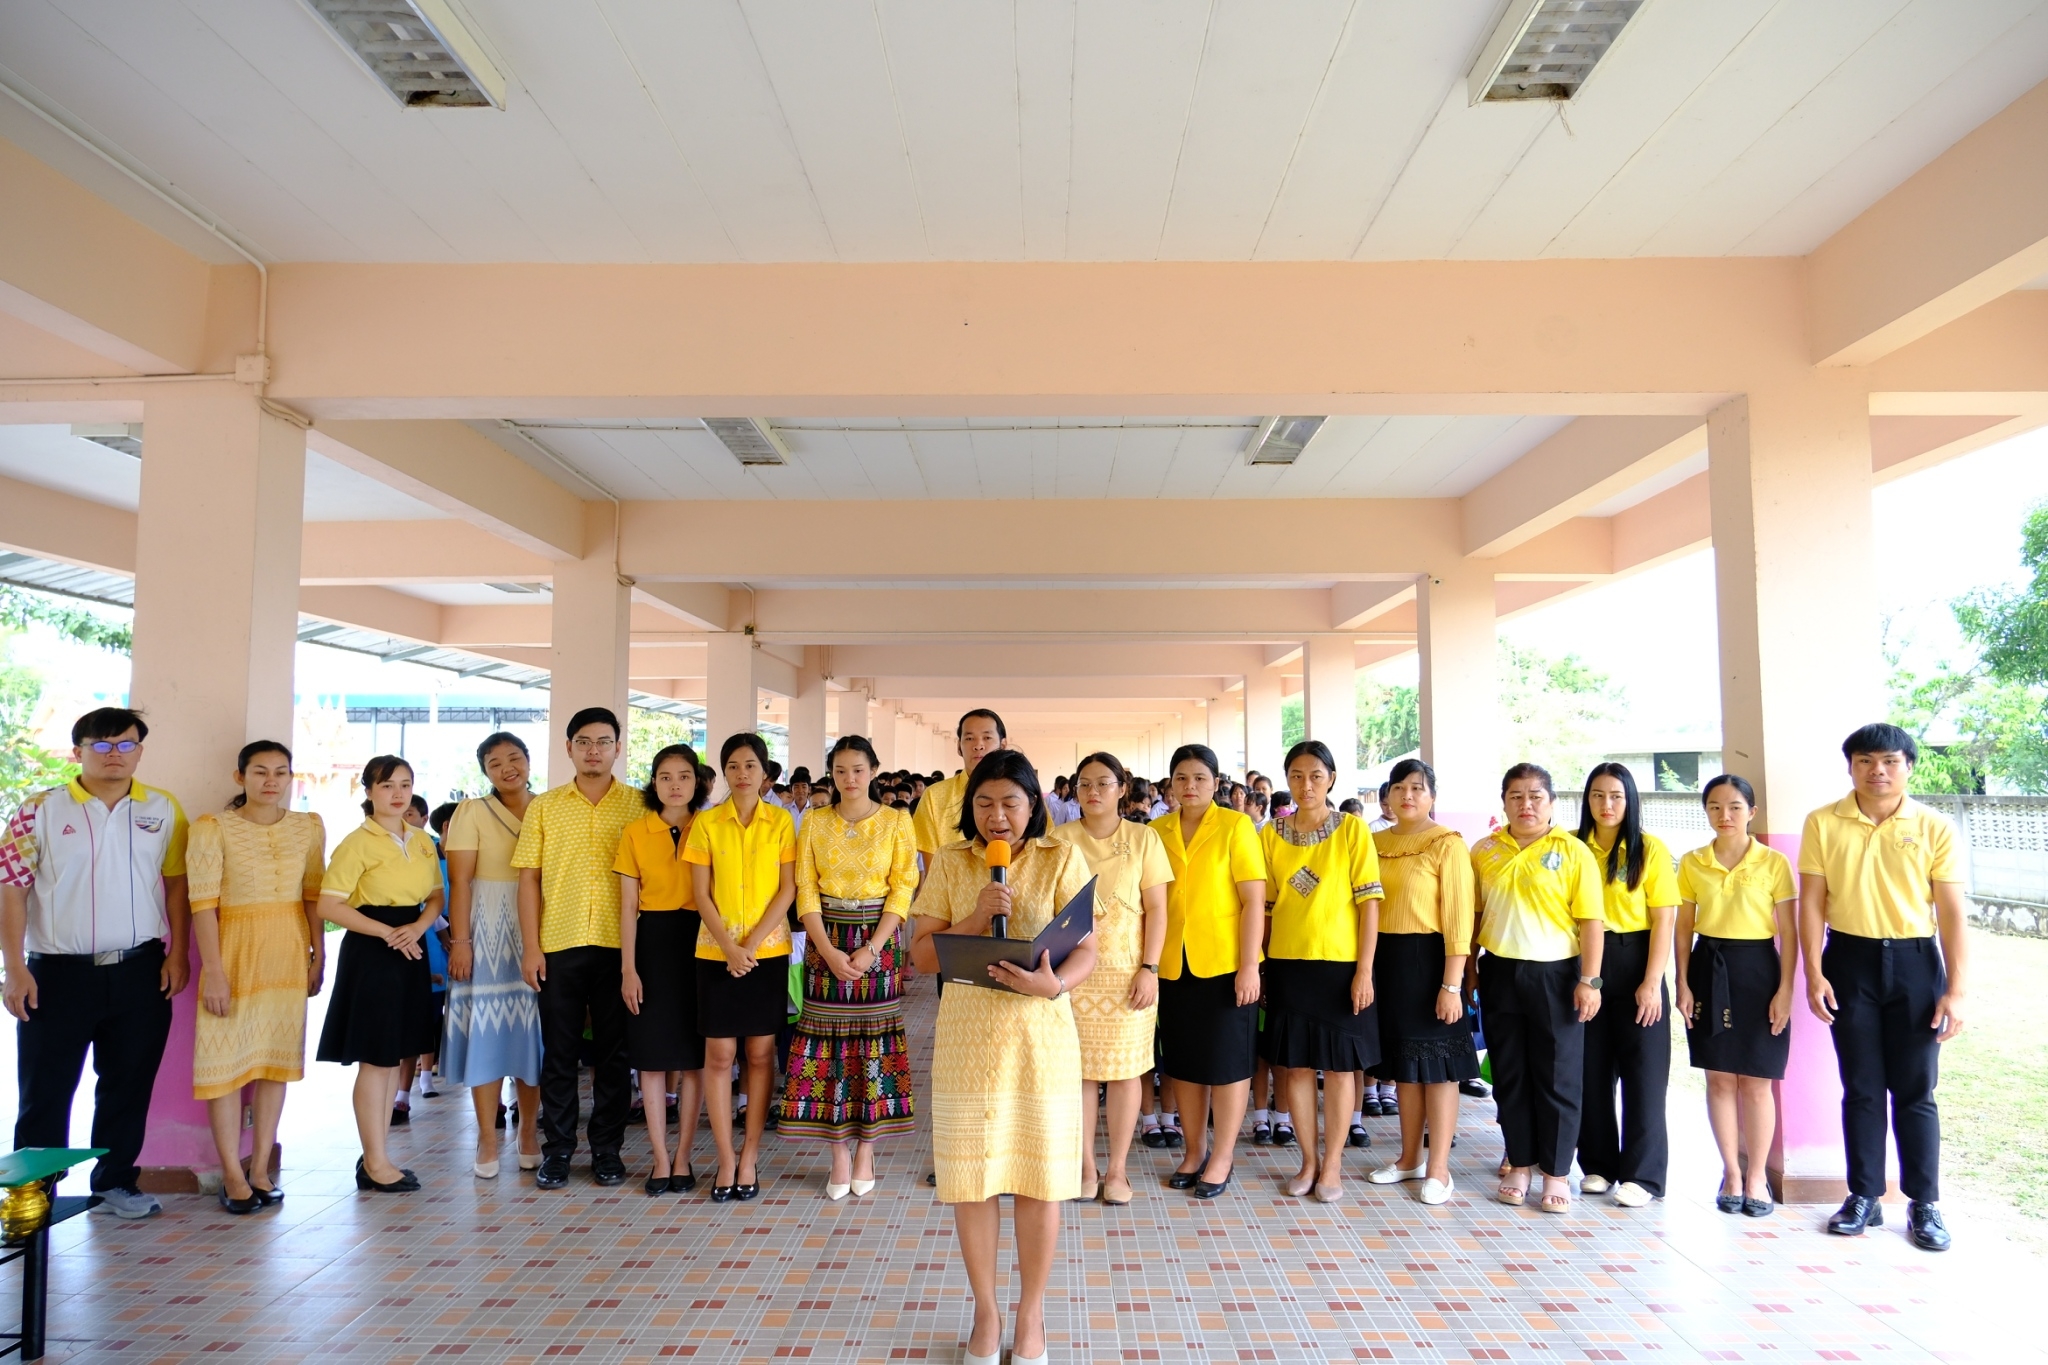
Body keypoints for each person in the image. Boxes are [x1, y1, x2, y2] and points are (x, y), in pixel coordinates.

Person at [910, 749, 1095, 1365]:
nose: (997, 816)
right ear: (970, 810)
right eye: (984, 804)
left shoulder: (1061, 856)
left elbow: (1086, 951)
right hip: (968, 1038)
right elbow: (921, 956)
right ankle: (986, 1314)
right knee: (973, 1180)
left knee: (1041, 1181)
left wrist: (1055, 985)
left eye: (1010, 803)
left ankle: (1031, 1312)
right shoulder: (954, 863)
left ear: (1033, 806)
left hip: (1040, 1035)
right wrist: (972, 917)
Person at [0, 707, 191, 1219]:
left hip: (140, 969)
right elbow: (11, 891)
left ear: (140, 751)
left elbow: (176, 887)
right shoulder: (38, 810)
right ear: (78, 751)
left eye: (125, 744)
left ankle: (114, 1182)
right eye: (101, 745)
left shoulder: (163, 809)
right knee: (46, 1086)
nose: (114, 755)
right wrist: (14, 967)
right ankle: (34, 1192)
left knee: (128, 1081)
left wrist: (176, 952)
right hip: (56, 974)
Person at [1800, 723, 1969, 1252]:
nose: (1879, 771)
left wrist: (1956, 990)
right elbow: (1811, 902)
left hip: (1917, 962)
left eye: (1891, 761)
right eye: (1867, 761)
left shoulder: (1934, 825)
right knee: (1862, 1087)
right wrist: (1814, 971)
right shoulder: (1823, 822)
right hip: (1849, 959)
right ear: (1850, 765)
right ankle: (1864, 1196)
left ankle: (1924, 1204)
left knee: (1916, 1089)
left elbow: (1951, 912)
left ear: (1909, 767)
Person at [187, 740, 325, 1213]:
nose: (271, 781)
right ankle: (231, 1172)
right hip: (232, 954)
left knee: (274, 1064)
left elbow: (313, 896)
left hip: (287, 953)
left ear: (291, 778)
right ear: (239, 776)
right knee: (224, 1068)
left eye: (281, 773)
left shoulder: (308, 828)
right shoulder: (212, 828)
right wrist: (215, 974)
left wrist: (318, 955)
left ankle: (261, 1166)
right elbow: (202, 905)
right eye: (260, 772)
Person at [779, 735, 918, 1198]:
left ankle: (866, 1147)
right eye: (840, 771)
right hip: (826, 942)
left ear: (873, 771)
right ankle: (838, 1149)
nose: (850, 779)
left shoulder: (897, 822)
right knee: (829, 1048)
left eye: (858, 769)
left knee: (873, 1046)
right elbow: (806, 888)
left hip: (877, 942)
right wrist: (827, 948)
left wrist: (874, 947)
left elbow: (902, 888)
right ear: (831, 775)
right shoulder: (815, 822)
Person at [513, 707, 643, 1190]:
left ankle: (607, 1150)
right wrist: (532, 946)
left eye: (603, 742)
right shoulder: (544, 807)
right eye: (584, 741)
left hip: (618, 947)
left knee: (614, 1053)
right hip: (559, 944)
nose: (594, 750)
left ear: (617, 747)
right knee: (559, 1054)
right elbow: (528, 881)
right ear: (568, 747)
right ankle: (559, 1151)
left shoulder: (638, 806)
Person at [1470, 763, 1604, 1214]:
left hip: (1557, 975)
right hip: (1500, 971)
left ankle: (1557, 1173)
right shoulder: (1484, 850)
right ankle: (1520, 1163)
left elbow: (1591, 922)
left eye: (1535, 796)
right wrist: (1469, 968)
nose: (1526, 805)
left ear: (1551, 802)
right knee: (1509, 1075)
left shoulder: (1573, 852)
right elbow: (1472, 917)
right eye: (1516, 797)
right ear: (1504, 801)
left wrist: (1590, 980)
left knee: (1558, 1076)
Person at [1257, 740, 1382, 1203]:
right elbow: (1266, 909)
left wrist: (1364, 971)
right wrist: (1264, 964)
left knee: (1342, 1068)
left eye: (1315, 775)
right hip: (1289, 964)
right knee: (1296, 1069)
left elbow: (1370, 905)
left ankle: (1333, 1165)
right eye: (1296, 775)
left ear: (1331, 778)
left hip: (1341, 965)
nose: (1305, 784)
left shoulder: (1351, 830)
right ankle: (1308, 1161)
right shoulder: (1272, 834)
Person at [315, 755, 443, 1193]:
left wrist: (418, 929)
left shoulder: (422, 841)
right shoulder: (357, 843)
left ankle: (377, 1155)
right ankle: (375, 1160)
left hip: (411, 946)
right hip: (373, 951)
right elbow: (329, 905)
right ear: (369, 791)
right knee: (376, 1058)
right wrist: (389, 933)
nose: (398, 793)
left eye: (406, 784)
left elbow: (435, 897)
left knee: (396, 1054)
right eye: (387, 785)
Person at [1052, 751, 1171, 1206]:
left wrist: (1150, 968)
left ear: (1123, 788)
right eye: (1084, 784)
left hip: (1127, 974)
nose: (1093, 792)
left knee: (1125, 1074)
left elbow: (1157, 908)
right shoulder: (1059, 839)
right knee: (1078, 1072)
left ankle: (1118, 1170)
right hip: (1073, 972)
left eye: (1104, 783)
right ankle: (1086, 1167)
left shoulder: (1144, 839)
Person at [1674, 774, 1796, 1218]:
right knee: (1719, 1078)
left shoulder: (1774, 863)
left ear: (1752, 813)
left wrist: (1785, 990)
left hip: (1759, 972)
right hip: (1709, 968)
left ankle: (1758, 1174)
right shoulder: (1691, 862)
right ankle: (1730, 1171)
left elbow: (1790, 934)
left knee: (1758, 1080)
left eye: (1734, 807)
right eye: (1714, 807)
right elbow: (1683, 928)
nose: (1724, 816)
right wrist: (1683, 982)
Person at [1152, 743, 1267, 1200]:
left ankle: (1222, 1155)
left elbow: (1254, 899)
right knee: (1184, 1063)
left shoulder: (1235, 826)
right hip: (1172, 962)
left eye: (1199, 777)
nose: (1190, 786)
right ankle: (1194, 1150)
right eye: (1181, 778)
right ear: (1171, 784)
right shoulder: (1157, 830)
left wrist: (1249, 965)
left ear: (1216, 783)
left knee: (1227, 1062)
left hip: (1224, 963)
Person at [686, 732, 797, 1203]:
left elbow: (788, 889)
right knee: (718, 1057)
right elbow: (700, 893)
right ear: (724, 772)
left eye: (750, 765)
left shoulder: (781, 823)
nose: (741, 773)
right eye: (732, 765)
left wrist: (750, 944)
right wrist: (730, 947)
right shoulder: (707, 824)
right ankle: (726, 1158)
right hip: (716, 955)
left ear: (764, 772)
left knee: (758, 1055)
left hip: (767, 954)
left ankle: (750, 1154)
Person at [1364, 758, 1478, 1205]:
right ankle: (1409, 1157)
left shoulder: (1446, 844)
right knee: (1404, 1068)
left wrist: (1452, 985)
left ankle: (1439, 1169)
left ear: (1432, 796)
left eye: (1418, 788)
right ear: (1386, 796)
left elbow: (1458, 918)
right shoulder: (1372, 842)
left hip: (1430, 960)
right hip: (1386, 961)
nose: (1407, 795)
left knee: (1439, 1070)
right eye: (1399, 787)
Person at [1572, 762, 1678, 1209]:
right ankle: (1598, 1165)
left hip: (1637, 963)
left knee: (1644, 1075)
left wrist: (1652, 982)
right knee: (1590, 1072)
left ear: (1630, 800)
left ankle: (1643, 1176)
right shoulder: (1574, 847)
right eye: (1598, 795)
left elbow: (1664, 918)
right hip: (1586, 968)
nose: (1607, 804)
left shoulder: (1648, 849)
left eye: (1616, 795)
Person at [442, 732, 544, 1178]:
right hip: (485, 926)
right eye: (496, 762)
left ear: (528, 761)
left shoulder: (546, 806)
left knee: (530, 1033)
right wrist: (461, 942)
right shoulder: (471, 811)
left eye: (515, 758)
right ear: (485, 770)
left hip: (538, 926)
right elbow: (460, 881)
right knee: (485, 1032)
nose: (508, 768)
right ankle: (486, 1137)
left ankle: (527, 1132)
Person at [616, 743, 712, 1195]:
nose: (675, 785)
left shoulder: (709, 827)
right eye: (665, 776)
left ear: (697, 782)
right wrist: (628, 970)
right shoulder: (636, 832)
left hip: (701, 940)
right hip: (651, 943)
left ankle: (683, 1156)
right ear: (653, 783)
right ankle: (658, 1157)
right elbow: (628, 906)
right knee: (652, 1060)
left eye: (684, 776)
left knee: (694, 1060)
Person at [913, 710, 1008, 865]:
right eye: (969, 738)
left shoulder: (1025, 794)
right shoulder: (934, 797)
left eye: (987, 737)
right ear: (959, 746)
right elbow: (933, 872)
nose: (978, 745)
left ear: (1003, 745)